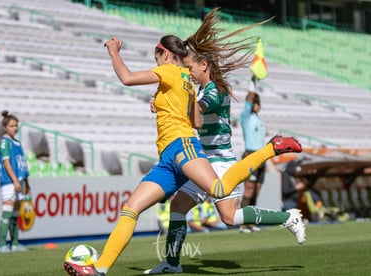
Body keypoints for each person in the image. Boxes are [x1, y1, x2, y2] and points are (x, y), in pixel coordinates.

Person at [63, 8, 302, 276]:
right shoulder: (185, 81)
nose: (157, 63)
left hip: (182, 146)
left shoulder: (170, 72)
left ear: (165, 54)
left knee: (220, 190)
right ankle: (101, 269)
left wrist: (114, 51)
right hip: (169, 156)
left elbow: (127, 78)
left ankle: (272, 147)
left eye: (157, 58)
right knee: (132, 208)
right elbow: (197, 121)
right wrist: (163, 105)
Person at [144, 10, 306, 275]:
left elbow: (194, 115)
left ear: (204, 65)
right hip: (203, 161)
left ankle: (288, 216)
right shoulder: (200, 89)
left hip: (220, 163)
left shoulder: (214, 91)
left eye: (191, 68)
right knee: (179, 206)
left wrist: (165, 102)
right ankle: (172, 264)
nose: (188, 73)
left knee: (230, 218)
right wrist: (162, 101)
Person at [0, 110, 30, 253]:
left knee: (15, 214)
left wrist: (26, 183)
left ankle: (15, 243)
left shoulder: (17, 142)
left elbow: (21, 163)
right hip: (9, 182)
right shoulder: (5, 142)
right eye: (11, 126)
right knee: (7, 212)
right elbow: (7, 163)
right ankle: (2, 245)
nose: (15, 128)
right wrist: (15, 181)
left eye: (16, 125)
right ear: (5, 127)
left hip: (19, 182)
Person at [239, 74, 266, 233]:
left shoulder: (259, 120)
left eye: (259, 102)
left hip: (261, 157)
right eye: (255, 102)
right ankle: (243, 223)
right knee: (248, 189)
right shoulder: (246, 117)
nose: (257, 105)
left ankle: (252, 221)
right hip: (250, 155)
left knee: (257, 190)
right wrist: (253, 81)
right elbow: (249, 98)